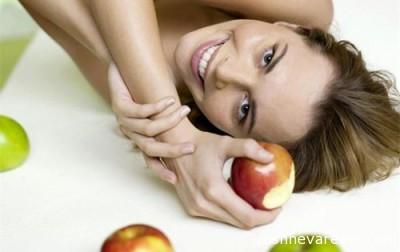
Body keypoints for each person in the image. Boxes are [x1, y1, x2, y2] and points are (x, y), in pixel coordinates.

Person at [19, 0, 400, 229]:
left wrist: (121, 62)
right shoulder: (305, 8)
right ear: (292, 28)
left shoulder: (142, 101)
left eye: (244, 109)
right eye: (268, 57)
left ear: (232, 139)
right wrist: (174, 135)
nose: (226, 71)